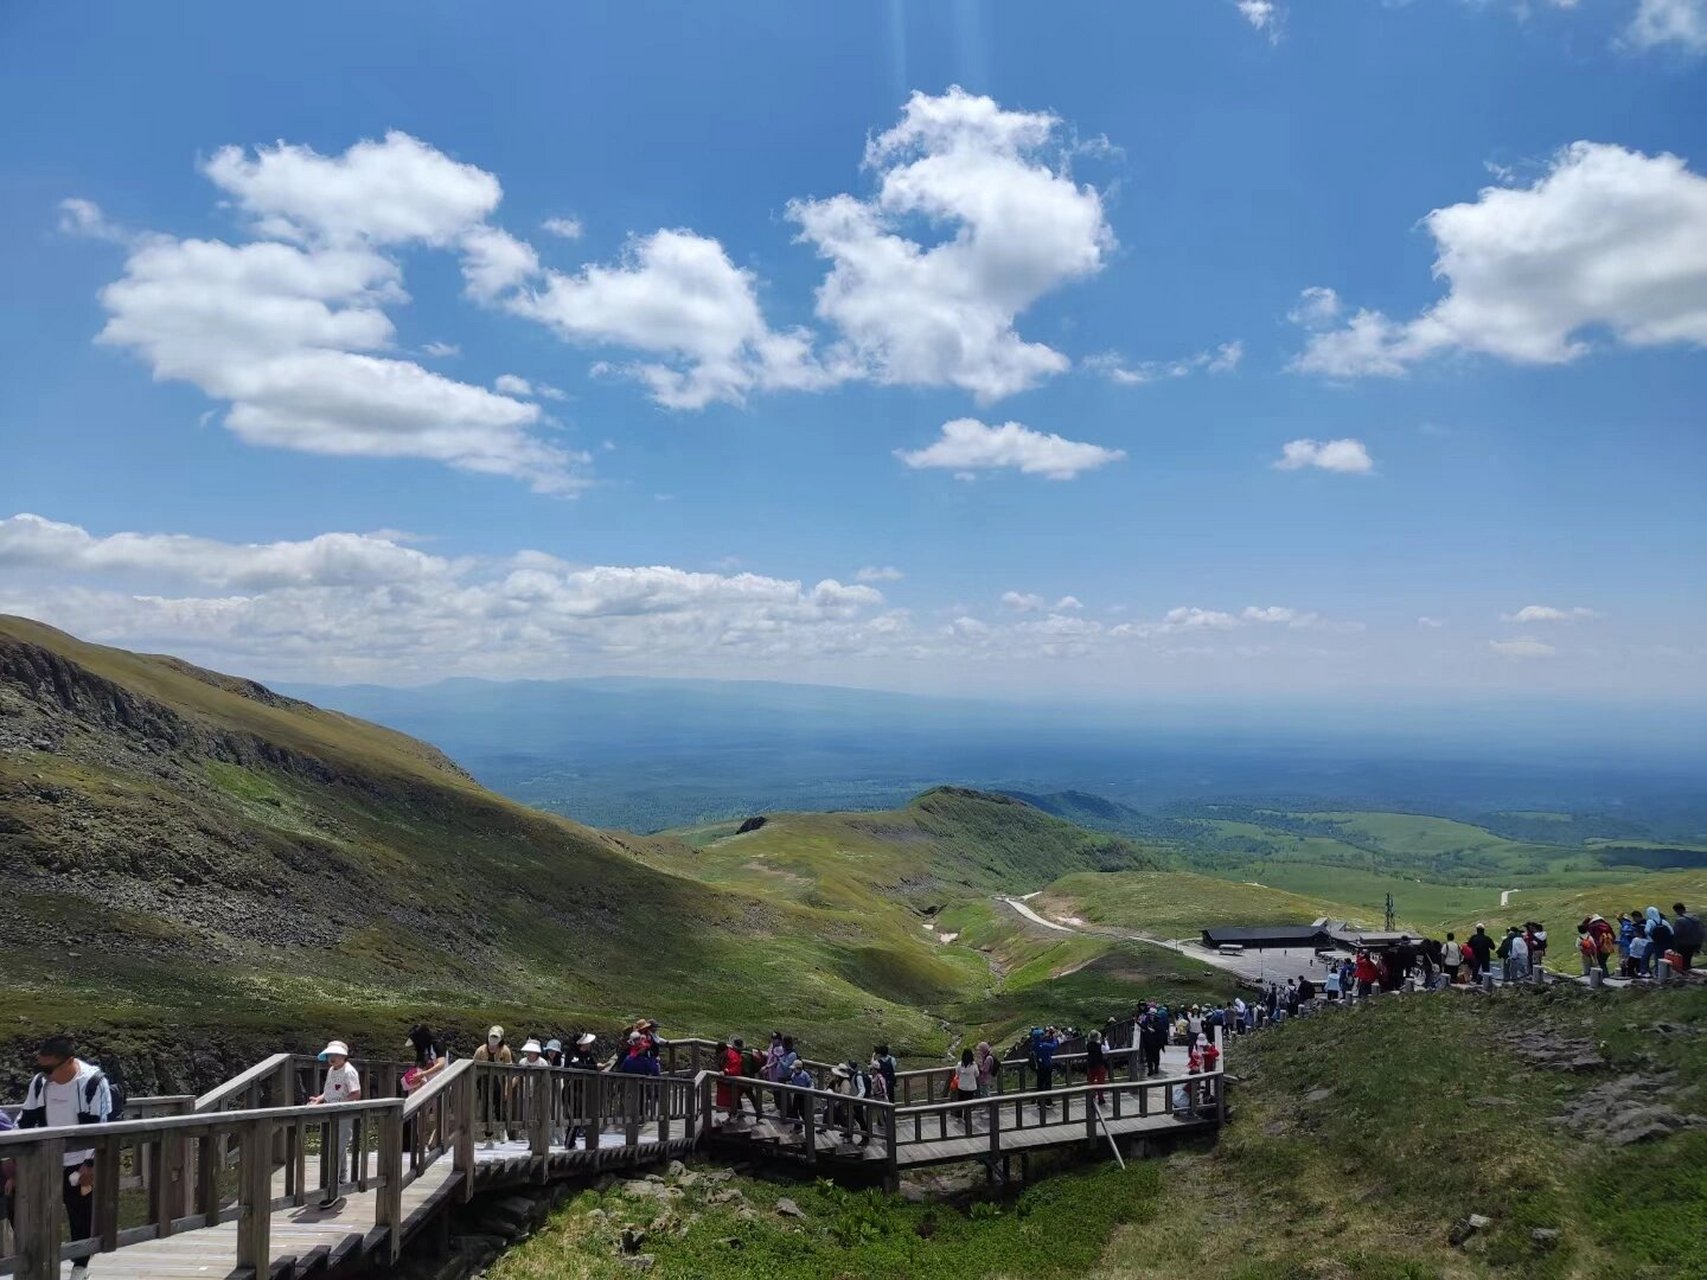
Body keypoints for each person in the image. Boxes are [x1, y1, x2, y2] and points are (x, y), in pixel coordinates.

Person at [17, 1035, 112, 1275]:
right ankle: (37, 1266)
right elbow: (25, 1119)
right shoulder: (40, 1083)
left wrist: (90, 1165)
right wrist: (13, 1157)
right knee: (34, 1214)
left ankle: (80, 1267)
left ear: (69, 1061)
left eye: (48, 1068)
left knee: (80, 1216)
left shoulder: (92, 1082)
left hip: (80, 1162)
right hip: (46, 1160)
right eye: (40, 1067)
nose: (44, 1073)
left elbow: (101, 1127)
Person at [308, 1039, 360, 1210]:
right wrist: (320, 1098)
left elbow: (356, 1093)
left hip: (343, 1114)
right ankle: (341, 1180)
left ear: (344, 1056)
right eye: (330, 1055)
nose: (332, 1058)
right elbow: (330, 1090)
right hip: (331, 1113)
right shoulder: (331, 1070)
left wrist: (341, 1104)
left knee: (335, 1149)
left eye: (336, 1055)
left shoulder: (349, 1071)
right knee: (336, 1146)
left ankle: (332, 1191)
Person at [473, 1026, 513, 1146]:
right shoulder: (480, 1050)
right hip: (484, 1083)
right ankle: (488, 1136)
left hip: (499, 1082)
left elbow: (509, 1071)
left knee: (499, 1108)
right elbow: (473, 1067)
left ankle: (502, 1131)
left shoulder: (505, 1051)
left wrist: (507, 1089)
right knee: (485, 1109)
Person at [950, 1049, 980, 1131]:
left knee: (961, 1101)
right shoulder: (974, 1065)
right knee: (968, 1103)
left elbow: (957, 1073)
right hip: (971, 1087)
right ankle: (967, 1117)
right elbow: (977, 1074)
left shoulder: (960, 1064)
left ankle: (959, 1116)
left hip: (962, 1086)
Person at [716, 1038, 744, 1122]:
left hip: (733, 1083)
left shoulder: (733, 1056)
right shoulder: (724, 1055)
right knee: (729, 1101)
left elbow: (736, 1068)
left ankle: (734, 1115)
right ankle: (732, 1115)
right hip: (725, 1084)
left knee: (733, 1100)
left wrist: (727, 1071)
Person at [1672, 903, 1703, 971]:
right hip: (1695, 943)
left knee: (1681, 962)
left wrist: (1674, 945)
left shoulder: (1680, 920)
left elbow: (1676, 933)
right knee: (1688, 960)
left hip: (1684, 944)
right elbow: (1701, 931)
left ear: (1678, 910)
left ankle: (1683, 976)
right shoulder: (1696, 918)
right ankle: (1688, 972)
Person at [1084, 1030, 1109, 1107]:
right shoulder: (1100, 1046)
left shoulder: (1088, 1045)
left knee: (1091, 1082)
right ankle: (1101, 1098)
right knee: (1100, 1082)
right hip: (1099, 1065)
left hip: (1091, 1066)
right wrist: (1106, 1041)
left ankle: (1092, 1098)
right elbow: (1107, 1050)